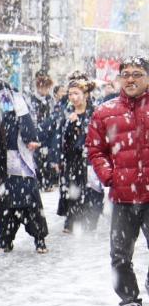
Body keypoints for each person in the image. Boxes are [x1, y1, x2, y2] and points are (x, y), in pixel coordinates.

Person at [86, 56, 149, 306]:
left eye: (137, 74)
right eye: (126, 74)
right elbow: (95, 148)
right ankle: (129, 302)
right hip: (123, 197)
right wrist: (108, 174)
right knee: (120, 255)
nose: (131, 79)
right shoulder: (105, 111)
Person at [0, 58, 48, 254]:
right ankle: (5, 239)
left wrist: (27, 137)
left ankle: (39, 238)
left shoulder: (1, 90)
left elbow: (16, 114)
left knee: (24, 195)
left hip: (11, 150)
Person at [57, 75, 103, 233]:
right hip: (72, 159)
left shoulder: (95, 113)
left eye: (76, 93)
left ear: (86, 95)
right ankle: (72, 220)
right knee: (73, 189)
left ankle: (90, 220)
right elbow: (62, 139)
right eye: (70, 94)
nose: (73, 97)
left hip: (90, 158)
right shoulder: (67, 113)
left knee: (92, 190)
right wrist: (70, 125)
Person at [28, 70, 56, 191]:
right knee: (37, 159)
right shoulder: (31, 99)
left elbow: (54, 116)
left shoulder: (51, 100)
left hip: (49, 133)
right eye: (42, 87)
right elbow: (30, 117)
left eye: (47, 87)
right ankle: (39, 182)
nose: (44, 90)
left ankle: (48, 182)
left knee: (48, 158)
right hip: (36, 132)